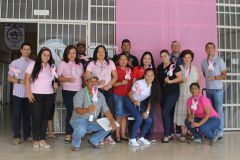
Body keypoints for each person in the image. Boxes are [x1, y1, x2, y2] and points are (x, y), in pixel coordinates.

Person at [70, 73, 117, 151]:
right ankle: (75, 143)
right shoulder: (80, 93)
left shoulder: (100, 95)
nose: (93, 83)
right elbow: (77, 110)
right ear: (86, 82)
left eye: (95, 81)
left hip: (93, 120)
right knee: (80, 130)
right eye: (91, 81)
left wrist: (112, 121)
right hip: (80, 119)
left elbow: (107, 110)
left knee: (109, 126)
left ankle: (94, 140)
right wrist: (88, 110)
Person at [25, 47, 58, 148]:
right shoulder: (33, 64)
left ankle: (42, 139)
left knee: (45, 117)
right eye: (44, 54)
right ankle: (36, 139)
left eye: (48, 55)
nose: (46, 57)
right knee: (36, 117)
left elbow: (53, 80)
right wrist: (28, 93)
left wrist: (55, 85)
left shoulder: (51, 66)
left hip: (49, 95)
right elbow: (26, 79)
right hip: (36, 94)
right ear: (40, 55)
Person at [86, 45, 118, 144]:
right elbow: (86, 78)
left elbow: (115, 77)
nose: (101, 54)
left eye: (103, 52)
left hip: (108, 90)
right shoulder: (92, 63)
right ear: (95, 53)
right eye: (99, 52)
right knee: (97, 113)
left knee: (109, 111)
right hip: (96, 91)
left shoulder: (110, 62)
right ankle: (98, 136)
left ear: (105, 53)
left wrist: (109, 85)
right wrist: (97, 83)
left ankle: (107, 136)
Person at [57, 45, 84, 144]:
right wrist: (68, 79)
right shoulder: (63, 63)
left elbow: (82, 76)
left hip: (79, 91)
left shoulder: (79, 64)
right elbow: (58, 77)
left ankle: (77, 133)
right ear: (66, 54)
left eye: (74, 53)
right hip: (68, 91)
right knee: (70, 112)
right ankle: (68, 134)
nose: (72, 55)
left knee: (78, 112)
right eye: (70, 53)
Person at [126, 68, 160, 147]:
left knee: (149, 120)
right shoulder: (139, 83)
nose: (149, 77)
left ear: (154, 76)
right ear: (144, 76)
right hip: (130, 101)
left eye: (151, 75)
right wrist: (134, 100)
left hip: (139, 104)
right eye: (147, 75)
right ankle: (132, 139)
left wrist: (147, 112)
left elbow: (151, 100)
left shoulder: (154, 86)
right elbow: (130, 94)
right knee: (139, 118)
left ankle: (141, 138)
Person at [8, 43, 33, 145]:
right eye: (25, 49)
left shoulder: (33, 63)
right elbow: (9, 78)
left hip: (29, 94)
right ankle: (17, 136)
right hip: (18, 94)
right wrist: (19, 81)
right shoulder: (14, 63)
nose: (27, 51)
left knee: (27, 115)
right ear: (21, 50)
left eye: (29, 49)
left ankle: (27, 135)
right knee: (17, 115)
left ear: (30, 51)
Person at [201, 42, 227, 140]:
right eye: (208, 48)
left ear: (214, 49)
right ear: (205, 49)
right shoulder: (203, 62)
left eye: (212, 47)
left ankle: (220, 132)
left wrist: (215, 77)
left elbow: (224, 75)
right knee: (210, 112)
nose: (210, 49)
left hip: (218, 90)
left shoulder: (219, 60)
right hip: (208, 90)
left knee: (219, 111)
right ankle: (212, 131)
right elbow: (205, 74)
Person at [174, 50, 200, 141]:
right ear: (182, 58)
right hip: (181, 93)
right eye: (185, 57)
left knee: (192, 112)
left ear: (191, 58)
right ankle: (183, 132)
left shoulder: (195, 68)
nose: (187, 59)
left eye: (189, 57)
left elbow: (198, 82)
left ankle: (191, 131)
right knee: (182, 112)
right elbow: (175, 81)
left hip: (191, 94)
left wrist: (197, 95)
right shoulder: (178, 67)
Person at [157, 50, 182, 143]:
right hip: (162, 93)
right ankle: (171, 133)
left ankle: (166, 135)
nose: (163, 58)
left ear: (169, 56)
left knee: (164, 112)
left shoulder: (174, 66)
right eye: (162, 56)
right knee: (169, 113)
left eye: (165, 56)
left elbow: (180, 78)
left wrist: (170, 81)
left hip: (172, 92)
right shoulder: (159, 67)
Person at [112, 53, 132, 142]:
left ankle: (123, 134)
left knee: (125, 116)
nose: (123, 61)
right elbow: (112, 84)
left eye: (125, 59)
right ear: (118, 61)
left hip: (127, 96)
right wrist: (121, 83)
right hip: (118, 95)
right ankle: (117, 135)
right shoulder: (115, 69)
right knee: (119, 116)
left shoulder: (129, 70)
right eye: (121, 59)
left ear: (127, 61)